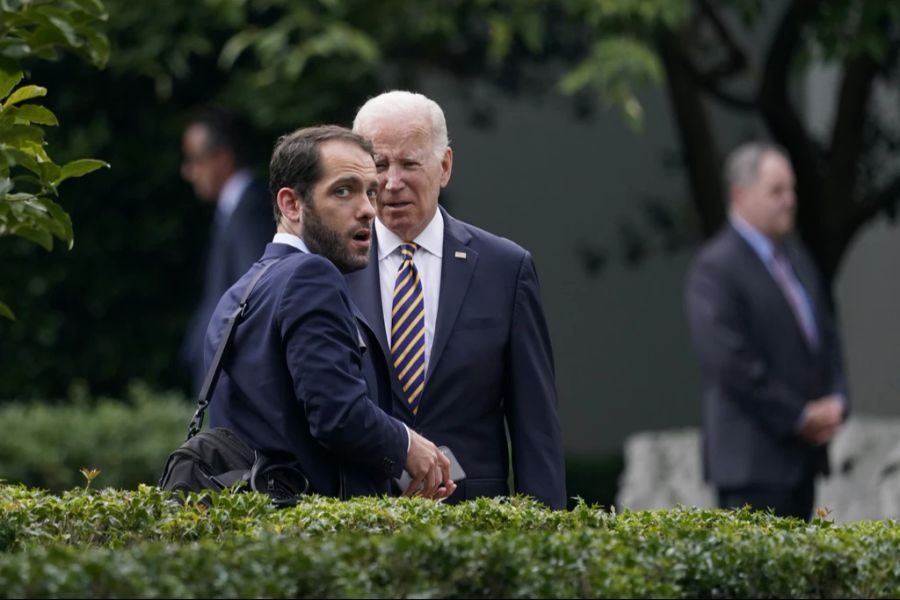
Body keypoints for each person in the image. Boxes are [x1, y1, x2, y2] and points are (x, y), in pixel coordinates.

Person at [205, 125, 455, 499]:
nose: (369, 209)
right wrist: (407, 446)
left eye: (370, 192)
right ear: (291, 204)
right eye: (344, 191)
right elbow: (338, 415)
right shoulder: (311, 275)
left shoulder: (241, 292)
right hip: (308, 541)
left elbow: (288, 438)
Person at [347, 90, 566, 509]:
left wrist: (547, 534)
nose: (392, 183)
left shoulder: (504, 268)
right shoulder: (331, 268)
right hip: (360, 518)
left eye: (409, 163)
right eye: (379, 165)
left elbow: (534, 422)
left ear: (444, 165)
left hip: (474, 518)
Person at [684, 141, 848, 520]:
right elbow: (730, 364)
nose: (790, 200)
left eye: (791, 189)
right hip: (750, 465)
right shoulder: (716, 268)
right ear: (740, 195)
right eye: (777, 191)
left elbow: (826, 336)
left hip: (802, 463)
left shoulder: (797, 258)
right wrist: (799, 416)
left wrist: (837, 399)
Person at [180, 109, 274, 395]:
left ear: (222, 158)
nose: (188, 172)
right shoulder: (234, 210)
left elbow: (255, 296)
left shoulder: (249, 211)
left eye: (195, 160)